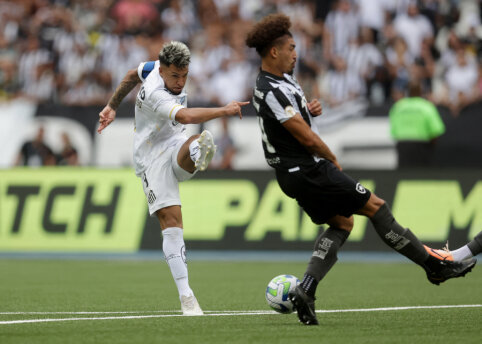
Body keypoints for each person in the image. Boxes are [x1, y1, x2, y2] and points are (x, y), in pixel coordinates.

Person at [245, 14, 477, 326]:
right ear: (274, 51)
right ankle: (433, 266)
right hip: (308, 169)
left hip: (293, 175)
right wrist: (331, 159)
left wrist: (308, 109)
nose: (296, 53)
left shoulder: (279, 82)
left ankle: (307, 288)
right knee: (377, 208)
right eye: (291, 48)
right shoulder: (270, 87)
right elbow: (304, 135)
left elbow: (292, 120)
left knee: (342, 224)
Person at [97, 41, 248, 316]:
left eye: (185, 76)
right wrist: (223, 110)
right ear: (163, 70)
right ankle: (186, 296)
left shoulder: (152, 66)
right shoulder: (156, 92)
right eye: (175, 76)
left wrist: (111, 106)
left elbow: (132, 74)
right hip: (150, 157)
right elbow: (188, 114)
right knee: (172, 222)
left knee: (191, 141)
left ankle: (196, 151)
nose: (180, 82)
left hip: (173, 141)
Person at [389, 83, 445, 168]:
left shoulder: (398, 107)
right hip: (421, 146)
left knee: (403, 175)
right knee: (421, 175)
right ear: (421, 92)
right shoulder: (427, 106)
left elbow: (393, 130)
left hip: (403, 145)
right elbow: (436, 130)